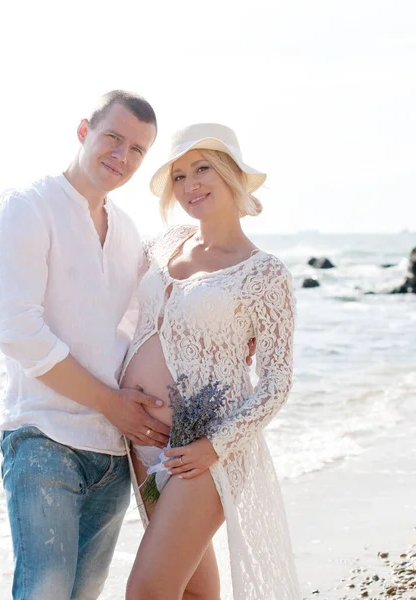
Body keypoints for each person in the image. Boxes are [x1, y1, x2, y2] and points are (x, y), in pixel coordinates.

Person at [0, 90, 171, 600]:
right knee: (44, 592)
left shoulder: (129, 231)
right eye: (114, 138)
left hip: (111, 451)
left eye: (137, 150)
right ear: (84, 130)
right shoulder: (27, 207)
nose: (123, 156)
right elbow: (18, 332)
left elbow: (146, 326)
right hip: (43, 438)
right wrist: (113, 403)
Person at [120, 123, 301, 599]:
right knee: (192, 593)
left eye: (202, 169)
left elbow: (276, 382)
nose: (190, 184)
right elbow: (108, 285)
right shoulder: (165, 244)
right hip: (143, 442)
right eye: (178, 176)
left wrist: (215, 446)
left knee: (146, 591)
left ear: (231, 174)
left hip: (204, 451)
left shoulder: (263, 272)